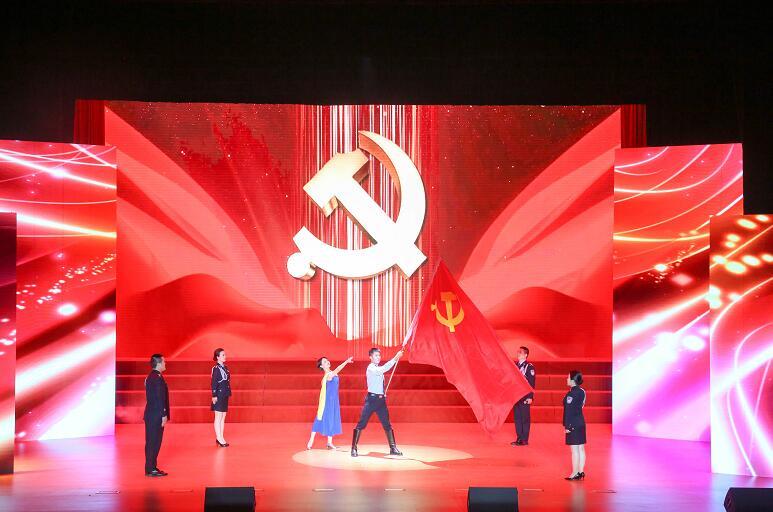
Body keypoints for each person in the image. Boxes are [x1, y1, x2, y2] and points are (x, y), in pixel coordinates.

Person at [351, 347, 404, 458]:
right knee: (361, 423)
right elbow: (383, 369)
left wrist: (382, 393)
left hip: (380, 401)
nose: (378, 357)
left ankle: (393, 448)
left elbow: (379, 381)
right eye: (376, 355)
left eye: (379, 355)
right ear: (370, 357)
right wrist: (395, 358)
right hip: (371, 401)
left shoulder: (378, 368)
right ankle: (354, 448)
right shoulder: (371, 368)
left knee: (387, 424)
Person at [307, 356, 354, 450]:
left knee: (331, 419)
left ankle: (329, 443)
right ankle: (311, 440)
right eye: (325, 361)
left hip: (333, 400)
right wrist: (346, 361)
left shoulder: (329, 374)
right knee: (319, 418)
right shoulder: (329, 375)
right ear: (322, 366)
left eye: (327, 360)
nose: (327, 361)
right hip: (328, 401)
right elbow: (338, 369)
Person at [144, 353, 170, 477]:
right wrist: (164, 414)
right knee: (153, 442)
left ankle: (152, 467)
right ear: (158, 363)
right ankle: (150, 469)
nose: (165, 363)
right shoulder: (156, 378)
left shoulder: (153, 376)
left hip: (153, 414)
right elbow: (159, 398)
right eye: (164, 361)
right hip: (155, 415)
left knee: (153, 442)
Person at [563, 370, 587, 480]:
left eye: (568, 377)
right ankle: (581, 471)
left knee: (574, 450)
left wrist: (567, 426)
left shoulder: (571, 394)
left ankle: (575, 473)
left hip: (573, 423)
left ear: (573, 380)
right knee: (581, 448)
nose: (567, 379)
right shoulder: (582, 391)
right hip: (581, 422)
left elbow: (569, 411)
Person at [511, 345, 536, 446]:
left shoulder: (529, 367)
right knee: (517, 418)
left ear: (525, 355)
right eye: (518, 352)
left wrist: (530, 397)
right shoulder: (515, 365)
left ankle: (524, 439)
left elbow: (531, 382)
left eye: (520, 352)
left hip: (525, 396)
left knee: (525, 418)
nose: (518, 353)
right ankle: (519, 438)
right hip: (516, 396)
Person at [211, 348, 232, 447]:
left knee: (223, 417)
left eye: (225, 354)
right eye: (223, 355)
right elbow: (213, 382)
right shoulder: (216, 369)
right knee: (218, 417)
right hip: (219, 395)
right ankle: (219, 438)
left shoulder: (225, 368)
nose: (225, 356)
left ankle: (221, 437)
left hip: (225, 394)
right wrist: (214, 395)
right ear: (218, 357)